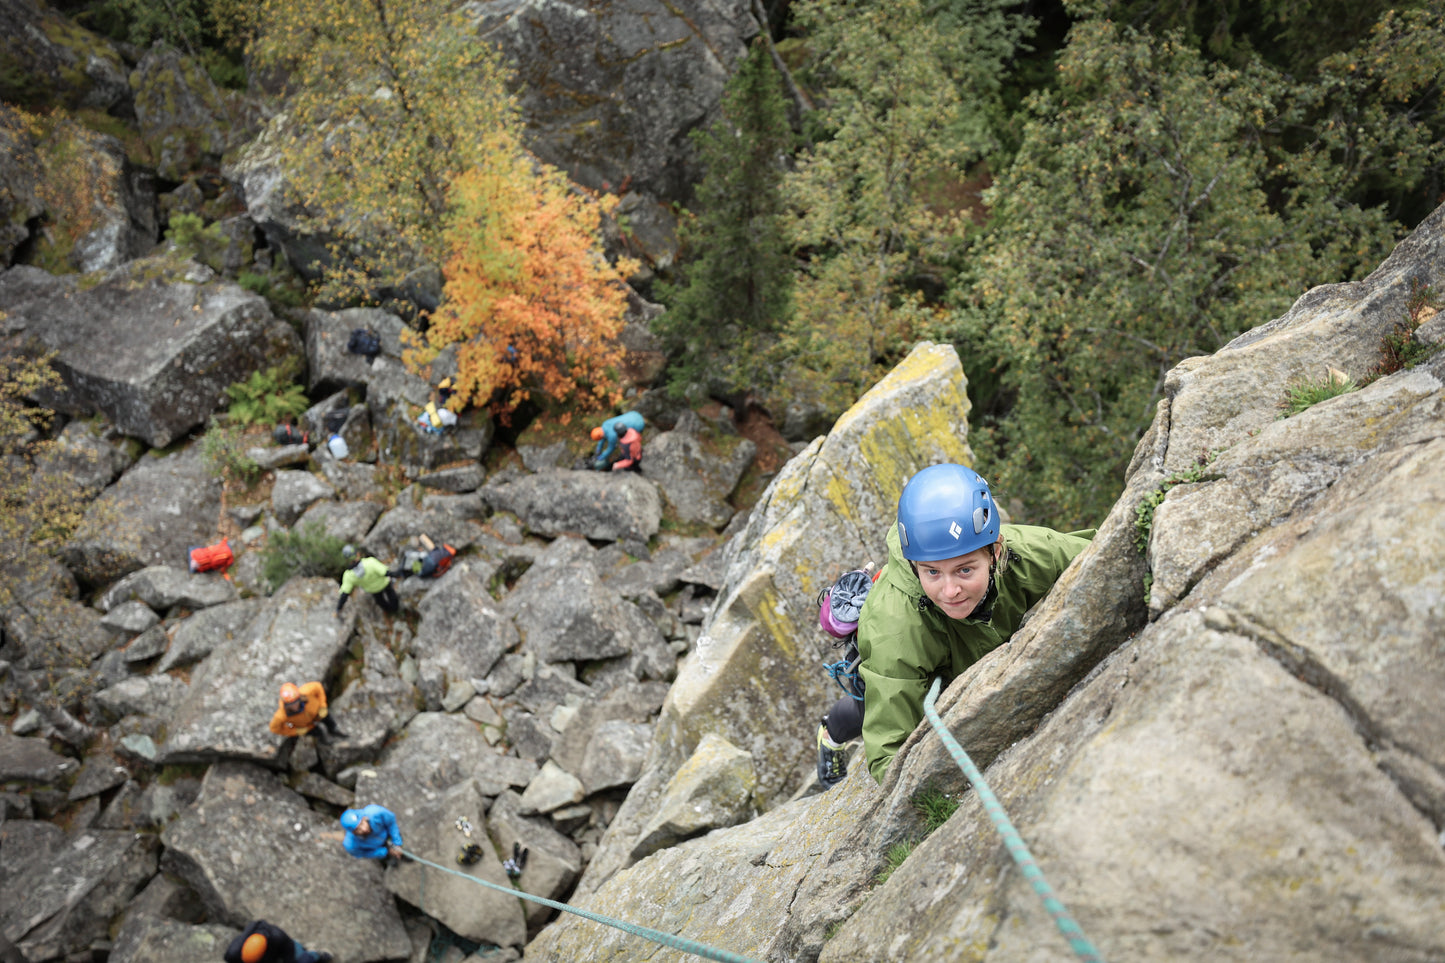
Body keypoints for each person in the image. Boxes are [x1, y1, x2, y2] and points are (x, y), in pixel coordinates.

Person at [816, 464, 1094, 788]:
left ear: (995, 552)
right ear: (913, 565)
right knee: (866, 712)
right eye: (932, 572)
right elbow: (888, 757)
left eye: (964, 570)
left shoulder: (1023, 553)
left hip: (958, 652)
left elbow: (1102, 552)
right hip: (905, 664)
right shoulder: (894, 629)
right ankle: (830, 734)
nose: (950, 591)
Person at [223, 919, 331, 963]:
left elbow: (289, 959)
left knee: (302, 960)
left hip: (283, 950)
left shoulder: (277, 936)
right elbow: (256, 923)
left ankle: (316, 954)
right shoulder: (233, 953)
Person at [269, 682, 344, 741]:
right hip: (306, 726)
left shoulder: (307, 691)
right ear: (285, 704)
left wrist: (322, 706)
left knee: (329, 720)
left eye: (296, 702)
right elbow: (274, 728)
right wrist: (295, 731)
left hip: (318, 713)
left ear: (299, 697)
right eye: (290, 704)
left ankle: (333, 730)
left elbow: (318, 686)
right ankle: (323, 739)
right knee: (317, 732)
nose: (295, 706)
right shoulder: (281, 716)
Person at [335, 549, 399, 618]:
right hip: (384, 583)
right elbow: (385, 572)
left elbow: (344, 594)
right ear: (358, 554)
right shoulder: (370, 562)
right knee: (391, 594)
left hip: (373, 590)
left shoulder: (348, 575)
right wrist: (398, 574)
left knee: (380, 601)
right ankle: (396, 609)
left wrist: (338, 609)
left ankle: (389, 611)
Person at [340, 804, 405, 867]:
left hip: (387, 834)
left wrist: (397, 843)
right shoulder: (351, 845)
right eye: (357, 829)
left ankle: (399, 851)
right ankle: (387, 858)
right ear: (353, 832)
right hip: (378, 848)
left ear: (364, 818)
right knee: (393, 862)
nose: (364, 829)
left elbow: (391, 822)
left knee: (401, 849)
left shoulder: (375, 813)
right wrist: (385, 852)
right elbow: (364, 854)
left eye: (362, 823)